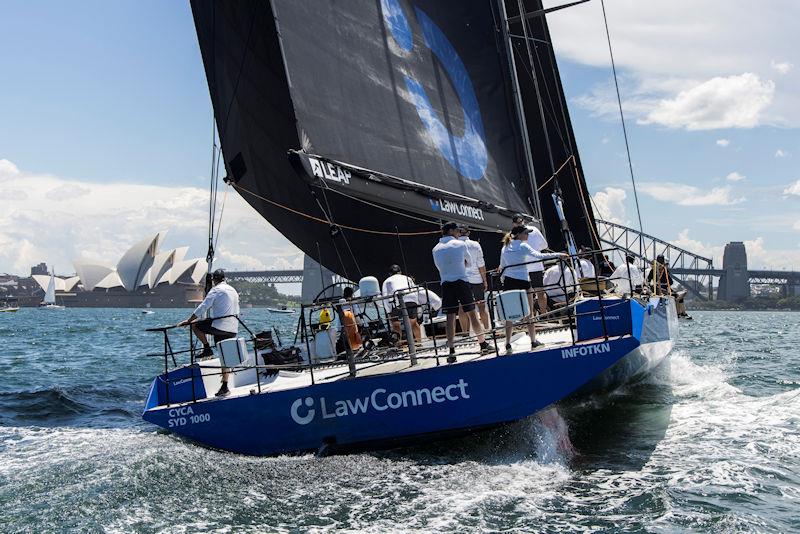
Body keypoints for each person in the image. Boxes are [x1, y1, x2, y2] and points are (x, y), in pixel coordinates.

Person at [499, 225, 567, 352]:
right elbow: (539, 256)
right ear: (519, 234)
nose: (528, 235)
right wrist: (559, 255)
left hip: (508, 281)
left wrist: (502, 280)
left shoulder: (505, 247)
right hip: (523, 281)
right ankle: (533, 341)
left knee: (509, 314)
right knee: (528, 313)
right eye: (526, 233)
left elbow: (502, 266)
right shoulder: (523, 245)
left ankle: (507, 343)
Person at [432, 222, 491, 362]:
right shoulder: (460, 244)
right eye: (458, 231)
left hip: (446, 283)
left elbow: (439, 267)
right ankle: (483, 344)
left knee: (450, 318)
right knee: (472, 313)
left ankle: (451, 351)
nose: (459, 233)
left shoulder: (435, 249)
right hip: (461, 281)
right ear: (452, 231)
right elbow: (469, 263)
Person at [178, 269, 240, 397]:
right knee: (225, 357)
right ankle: (224, 386)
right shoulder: (233, 290)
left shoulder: (216, 289)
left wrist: (189, 320)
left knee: (195, 325)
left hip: (220, 326)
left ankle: (207, 348)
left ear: (214, 280)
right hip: (233, 328)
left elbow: (204, 306)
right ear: (224, 278)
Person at [512, 214, 550, 315]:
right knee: (540, 292)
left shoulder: (512, 235)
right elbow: (544, 245)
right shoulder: (534, 229)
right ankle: (544, 316)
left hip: (523, 269)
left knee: (527, 294)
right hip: (535, 266)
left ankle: (531, 318)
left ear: (514, 224)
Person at [458, 225, 489, 333]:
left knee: (462, 307)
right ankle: (487, 330)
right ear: (468, 232)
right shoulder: (475, 245)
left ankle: (465, 334)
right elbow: (481, 264)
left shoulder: (454, 245)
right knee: (481, 306)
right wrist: (484, 280)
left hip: (462, 280)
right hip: (476, 279)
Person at [381, 264, 419, 342]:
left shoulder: (387, 281)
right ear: (400, 272)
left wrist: (389, 311)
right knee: (413, 323)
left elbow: (385, 296)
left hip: (397, 303)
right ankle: (420, 342)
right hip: (412, 301)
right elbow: (415, 291)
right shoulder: (408, 278)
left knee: (396, 325)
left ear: (390, 274)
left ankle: (399, 344)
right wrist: (417, 304)